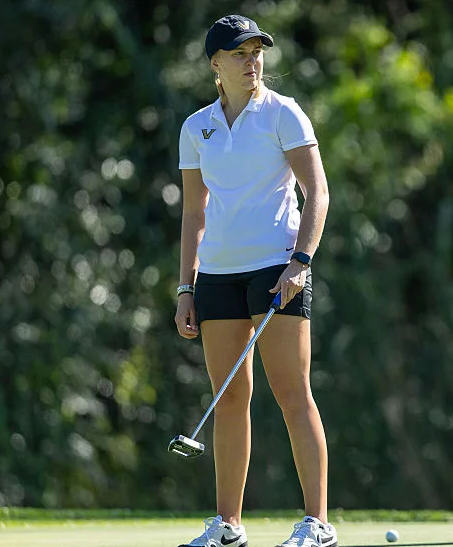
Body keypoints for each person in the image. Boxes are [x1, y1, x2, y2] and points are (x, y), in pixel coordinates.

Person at [173, 14, 336, 547]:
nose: (252, 62)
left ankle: (317, 523)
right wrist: (186, 287)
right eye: (239, 54)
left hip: (276, 268)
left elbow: (318, 192)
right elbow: (194, 215)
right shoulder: (196, 127)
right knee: (229, 397)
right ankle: (228, 527)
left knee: (292, 393)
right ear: (215, 64)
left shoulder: (283, 114)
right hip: (217, 274)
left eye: (256, 52)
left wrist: (301, 261)